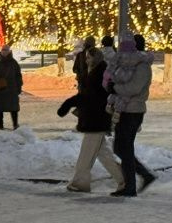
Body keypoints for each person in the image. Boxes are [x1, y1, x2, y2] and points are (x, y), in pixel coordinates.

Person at [59, 47, 124, 193]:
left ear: (95, 58)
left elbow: (89, 97)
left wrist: (69, 103)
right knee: (104, 155)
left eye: (88, 58)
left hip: (95, 120)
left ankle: (80, 183)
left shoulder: (98, 74)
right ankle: (123, 179)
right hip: (97, 119)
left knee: (86, 155)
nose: (86, 60)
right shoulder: (97, 73)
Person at [109, 36, 158, 197]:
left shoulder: (142, 66)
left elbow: (134, 88)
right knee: (120, 147)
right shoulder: (132, 64)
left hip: (134, 111)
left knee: (125, 147)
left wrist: (114, 87)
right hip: (125, 110)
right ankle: (143, 175)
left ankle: (131, 186)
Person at [0, 45, 23, 130]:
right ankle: (0, 125)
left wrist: (19, 87)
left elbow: (18, 76)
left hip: (11, 89)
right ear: (1, 51)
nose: (4, 51)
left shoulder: (14, 63)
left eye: (6, 50)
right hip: (0, 89)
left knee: (13, 108)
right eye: (3, 50)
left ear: (9, 51)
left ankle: (15, 124)